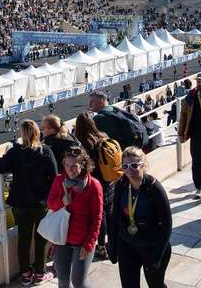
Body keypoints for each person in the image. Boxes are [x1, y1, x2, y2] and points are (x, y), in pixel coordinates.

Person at [0, 119, 58, 286]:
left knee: (23, 238)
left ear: (22, 134)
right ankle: (39, 272)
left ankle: (25, 274)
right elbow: (54, 176)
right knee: (41, 238)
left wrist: (6, 163)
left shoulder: (16, 152)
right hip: (40, 203)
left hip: (21, 202)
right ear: (37, 132)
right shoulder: (45, 151)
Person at [109, 147, 172, 288]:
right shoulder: (121, 184)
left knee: (156, 285)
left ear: (143, 165)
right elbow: (114, 217)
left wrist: (158, 256)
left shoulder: (154, 188)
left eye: (134, 165)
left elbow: (167, 225)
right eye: (125, 166)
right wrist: (112, 245)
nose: (129, 170)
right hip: (127, 244)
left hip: (151, 245)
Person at [46, 146, 103, 288]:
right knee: (63, 280)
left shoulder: (93, 185)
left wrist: (89, 244)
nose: (70, 170)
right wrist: (62, 201)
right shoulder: (59, 180)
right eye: (67, 165)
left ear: (83, 165)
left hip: (82, 240)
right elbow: (50, 204)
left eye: (74, 166)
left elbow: (97, 217)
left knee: (78, 282)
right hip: (63, 238)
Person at [72, 113, 118, 262]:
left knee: (100, 215)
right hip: (109, 181)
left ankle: (101, 247)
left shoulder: (83, 143)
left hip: (96, 183)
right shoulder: (103, 136)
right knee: (109, 213)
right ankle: (113, 244)